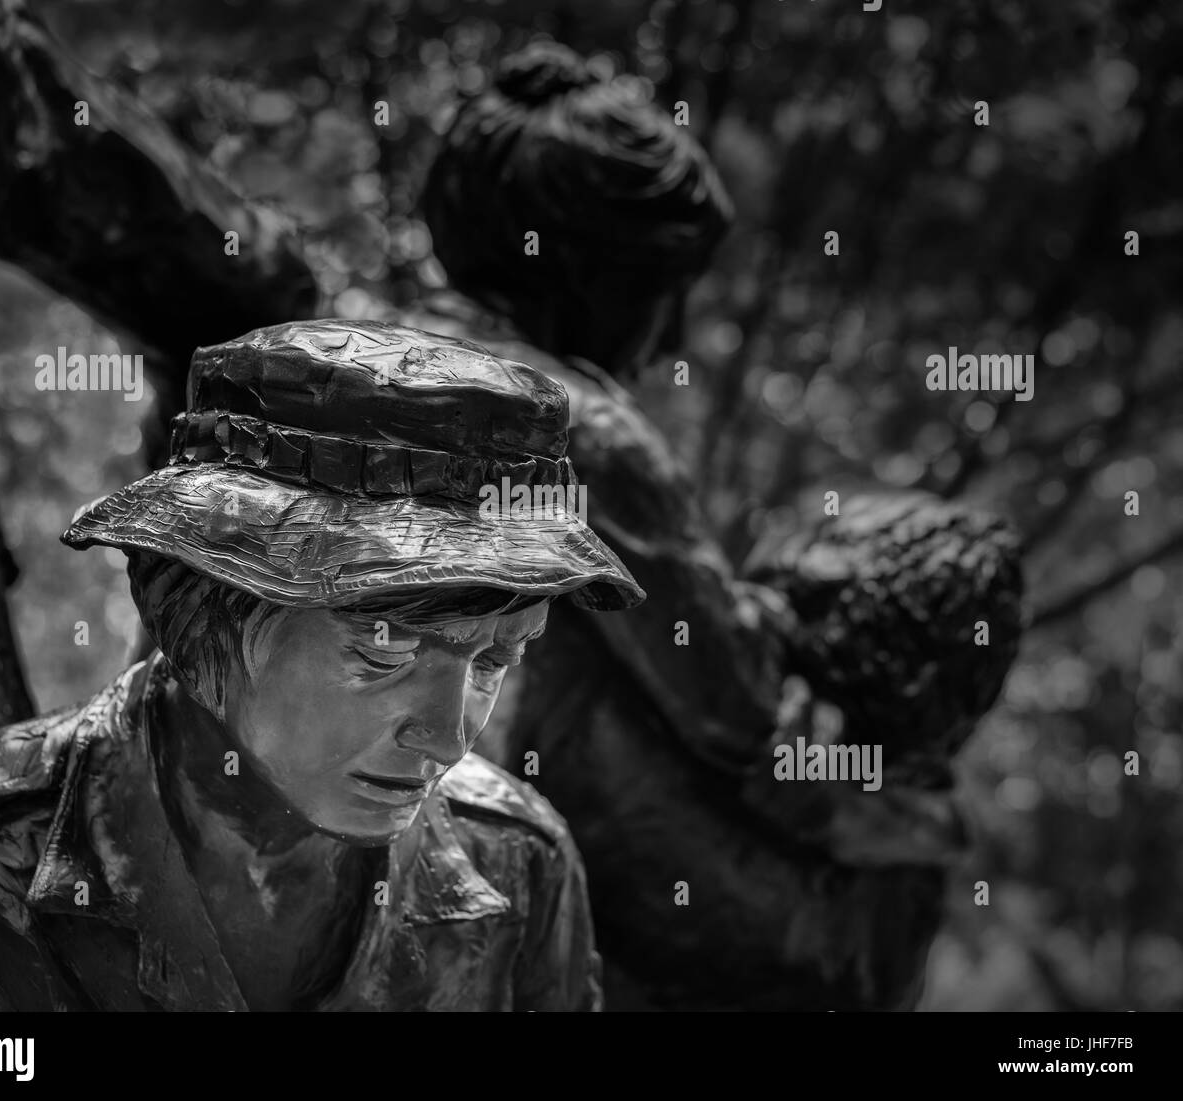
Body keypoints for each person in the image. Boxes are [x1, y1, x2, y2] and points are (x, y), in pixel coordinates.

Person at [378, 42, 1021, 1010]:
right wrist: (912, 817)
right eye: (661, 293)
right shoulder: (578, 430)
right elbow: (741, 717)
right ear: (592, 275)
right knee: (875, 914)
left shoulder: (379, 350)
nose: (671, 338)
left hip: (416, 796)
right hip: (502, 835)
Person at [0, 319, 642, 1012]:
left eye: (494, 658)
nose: (447, 741)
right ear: (212, 602)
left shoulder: (519, 867)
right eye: (383, 650)